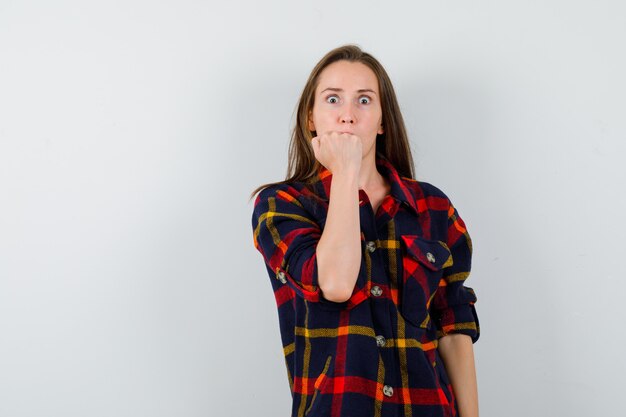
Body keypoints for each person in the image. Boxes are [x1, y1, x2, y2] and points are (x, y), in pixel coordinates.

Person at [249, 44, 480, 417]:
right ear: (311, 117)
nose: (347, 116)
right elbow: (336, 284)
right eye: (333, 99)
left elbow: (453, 327)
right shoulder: (281, 205)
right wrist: (345, 172)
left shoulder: (432, 207)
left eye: (364, 101)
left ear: (383, 120)